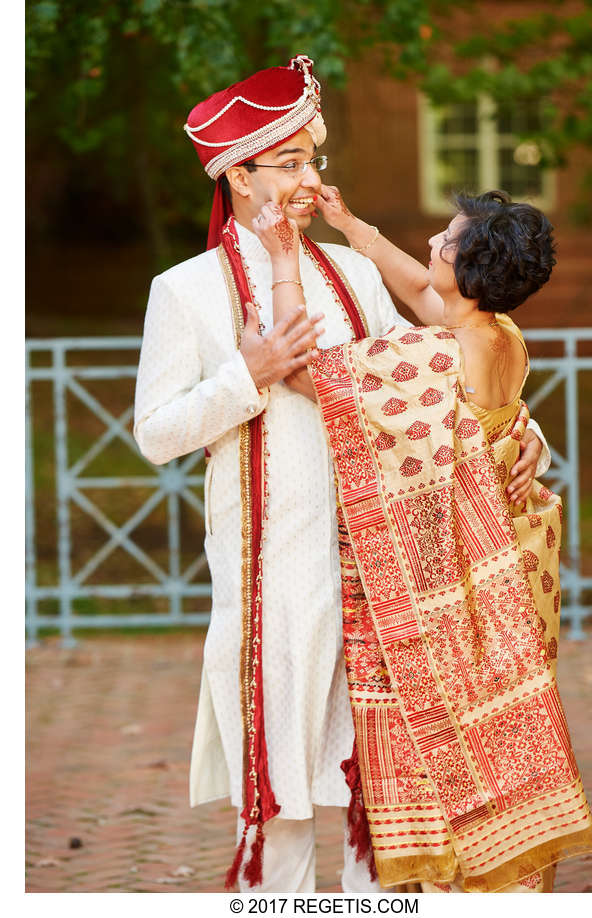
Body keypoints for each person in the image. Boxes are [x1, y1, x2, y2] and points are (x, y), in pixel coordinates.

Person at [133, 55, 550, 893]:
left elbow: (433, 377)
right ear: (238, 175)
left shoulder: (354, 273)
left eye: (311, 159)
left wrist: (519, 425)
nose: (305, 179)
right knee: (279, 800)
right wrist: (243, 378)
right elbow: (154, 434)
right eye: (286, 163)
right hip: (271, 576)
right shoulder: (185, 293)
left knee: (378, 796)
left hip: (379, 575)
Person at [253, 188, 592, 892]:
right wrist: (352, 226)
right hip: (514, 573)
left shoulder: (433, 361)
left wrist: (284, 259)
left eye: (445, 240)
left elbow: (297, 368)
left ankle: (462, 883)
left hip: (458, 591)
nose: (433, 248)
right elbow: (421, 290)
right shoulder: (500, 336)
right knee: (500, 730)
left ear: (468, 267)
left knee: (450, 738)